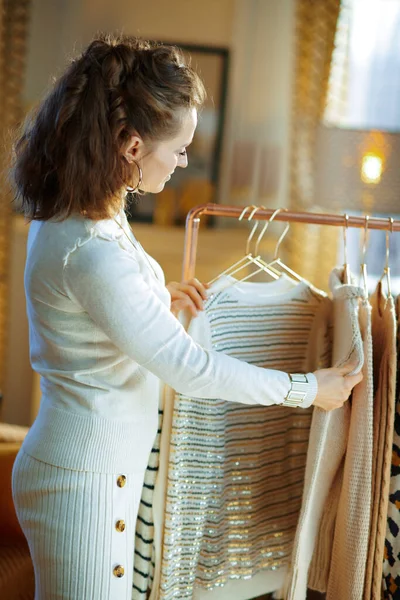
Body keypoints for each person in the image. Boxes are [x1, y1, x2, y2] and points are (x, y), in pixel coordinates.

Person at [10, 34, 362, 600]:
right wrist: (307, 389)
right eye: (177, 150)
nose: (183, 163)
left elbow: (94, 315)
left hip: (99, 472)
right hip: (84, 483)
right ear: (130, 144)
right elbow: (192, 369)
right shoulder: (89, 250)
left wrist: (154, 302)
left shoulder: (92, 213)